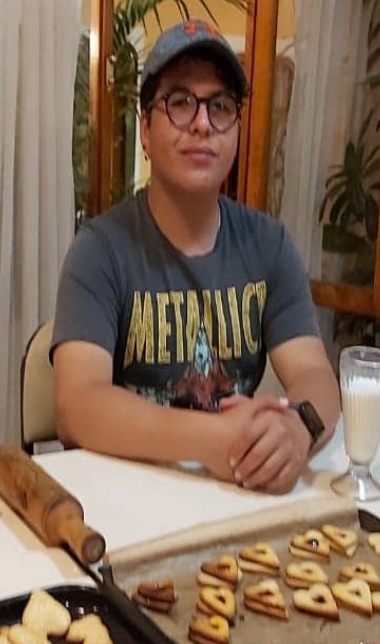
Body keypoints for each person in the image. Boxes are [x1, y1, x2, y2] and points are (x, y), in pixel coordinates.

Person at [52, 19, 339, 494]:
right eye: (180, 102)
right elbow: (77, 405)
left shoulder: (269, 245)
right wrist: (214, 439)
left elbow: (314, 374)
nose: (203, 123)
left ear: (237, 131)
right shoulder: (99, 250)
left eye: (220, 106)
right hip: (127, 498)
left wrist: (297, 426)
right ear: (145, 129)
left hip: (234, 495)